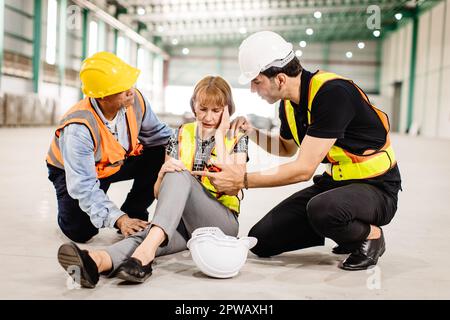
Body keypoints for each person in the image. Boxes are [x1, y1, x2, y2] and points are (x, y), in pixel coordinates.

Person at [194, 31, 402, 271]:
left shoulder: (332, 95)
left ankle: (370, 236)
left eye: (257, 81)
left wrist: (242, 181)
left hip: (377, 188)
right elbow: (284, 148)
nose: (253, 89)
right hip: (338, 185)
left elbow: (303, 170)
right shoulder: (288, 105)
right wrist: (251, 131)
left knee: (323, 209)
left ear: (280, 79)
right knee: (262, 240)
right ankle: (346, 232)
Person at [56, 76, 249, 287]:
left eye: (216, 110)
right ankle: (96, 262)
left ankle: (144, 253)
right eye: (203, 109)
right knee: (150, 236)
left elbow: (232, 188)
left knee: (174, 181)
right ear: (194, 106)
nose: (209, 117)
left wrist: (221, 136)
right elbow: (159, 193)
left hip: (221, 224)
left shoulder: (237, 136)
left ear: (227, 109)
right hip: (184, 224)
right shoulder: (181, 134)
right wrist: (160, 175)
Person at [46, 52, 172, 243]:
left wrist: (193, 140)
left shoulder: (135, 101)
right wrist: (118, 219)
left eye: (129, 83)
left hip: (114, 163)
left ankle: (134, 211)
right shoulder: (78, 129)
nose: (131, 91)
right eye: (122, 88)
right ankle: (75, 213)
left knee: (160, 152)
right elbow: (84, 185)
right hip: (74, 173)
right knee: (81, 231)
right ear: (102, 97)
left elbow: (160, 136)